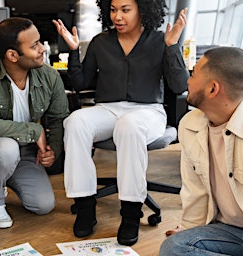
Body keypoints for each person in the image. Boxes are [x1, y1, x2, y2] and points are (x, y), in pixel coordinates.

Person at [53, 0, 189, 245]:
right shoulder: (100, 42)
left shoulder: (160, 40)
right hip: (107, 109)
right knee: (75, 122)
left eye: (125, 10)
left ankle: (131, 214)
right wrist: (74, 51)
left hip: (148, 112)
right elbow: (81, 83)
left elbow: (180, 86)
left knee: (129, 125)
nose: (118, 16)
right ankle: (85, 208)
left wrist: (172, 47)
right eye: (113, 9)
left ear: (143, 10)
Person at [160, 47, 243, 255]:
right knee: (174, 247)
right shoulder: (189, 126)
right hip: (227, 231)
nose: (188, 80)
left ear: (213, 89)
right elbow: (195, 193)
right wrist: (188, 231)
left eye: (193, 73)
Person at [0, 17, 69, 228]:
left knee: (43, 205)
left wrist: (53, 150)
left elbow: (59, 118)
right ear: (12, 55)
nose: (42, 49)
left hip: (27, 153)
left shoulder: (49, 75)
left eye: (40, 42)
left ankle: (5, 178)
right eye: (34, 46)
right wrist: (35, 130)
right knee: (6, 148)